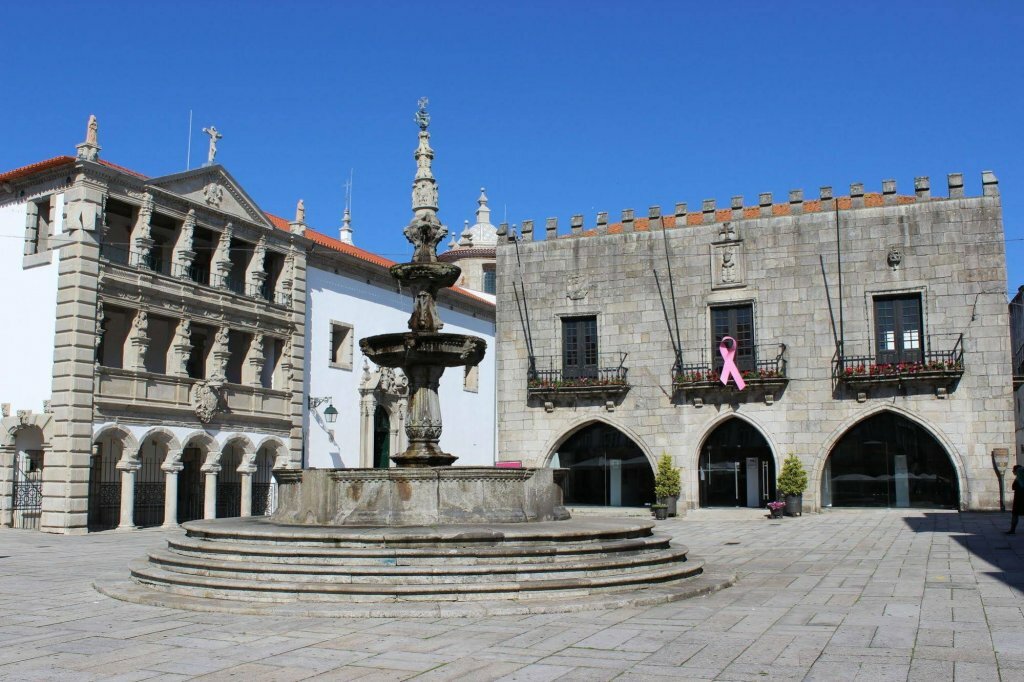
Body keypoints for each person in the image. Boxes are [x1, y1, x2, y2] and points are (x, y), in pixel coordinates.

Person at [1008, 464, 1023, 535]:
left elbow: (1013, 487)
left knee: (1015, 515)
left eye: (1013, 470)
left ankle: (1012, 530)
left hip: (1018, 499)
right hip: (1019, 498)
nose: (1012, 472)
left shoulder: (1018, 479)